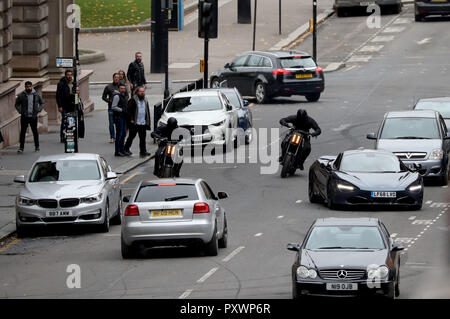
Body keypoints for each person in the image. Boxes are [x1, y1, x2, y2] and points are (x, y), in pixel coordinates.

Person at [15, 82, 45, 153]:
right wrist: (20, 111)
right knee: (23, 132)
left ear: (32, 87)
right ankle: (21, 147)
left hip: (33, 116)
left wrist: (38, 110)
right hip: (24, 116)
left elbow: (42, 103)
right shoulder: (22, 95)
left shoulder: (36, 95)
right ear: (25, 87)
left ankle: (37, 146)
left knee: (35, 132)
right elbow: (17, 104)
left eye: (29, 86)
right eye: (27, 87)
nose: (28, 88)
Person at [125, 86, 151, 157]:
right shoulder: (133, 100)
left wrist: (147, 121)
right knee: (131, 137)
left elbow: (147, 111)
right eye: (140, 91)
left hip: (143, 122)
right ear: (137, 92)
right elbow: (128, 110)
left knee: (143, 138)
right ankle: (126, 148)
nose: (142, 93)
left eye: (143, 91)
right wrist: (131, 119)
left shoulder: (145, 100)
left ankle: (143, 151)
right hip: (135, 122)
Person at [56, 70, 78, 143]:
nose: (69, 76)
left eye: (70, 75)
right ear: (65, 75)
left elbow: (76, 96)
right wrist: (59, 106)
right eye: (68, 75)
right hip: (64, 105)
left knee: (71, 121)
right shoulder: (61, 84)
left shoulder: (73, 83)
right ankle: (63, 136)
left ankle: (71, 135)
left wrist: (77, 104)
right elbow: (58, 96)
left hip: (71, 105)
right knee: (64, 121)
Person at [111, 84, 129, 157]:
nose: (123, 90)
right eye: (121, 88)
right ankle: (117, 151)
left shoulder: (123, 96)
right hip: (119, 117)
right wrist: (122, 110)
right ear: (118, 89)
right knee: (119, 134)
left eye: (124, 88)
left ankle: (122, 149)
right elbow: (113, 106)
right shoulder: (117, 96)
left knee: (123, 134)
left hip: (123, 117)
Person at [102, 73, 120, 143]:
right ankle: (112, 137)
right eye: (115, 77)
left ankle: (119, 137)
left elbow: (126, 95)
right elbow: (103, 97)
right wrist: (109, 101)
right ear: (113, 78)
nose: (116, 79)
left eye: (117, 77)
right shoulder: (108, 87)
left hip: (119, 108)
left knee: (119, 123)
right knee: (111, 123)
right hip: (111, 108)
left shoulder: (121, 86)